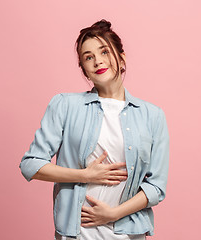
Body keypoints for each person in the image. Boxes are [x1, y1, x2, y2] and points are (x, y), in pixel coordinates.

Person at [19, 19, 169, 240]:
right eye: (88, 57)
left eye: (104, 52)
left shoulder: (152, 116)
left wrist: (112, 214)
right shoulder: (65, 105)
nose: (98, 61)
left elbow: (156, 187)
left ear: (122, 58)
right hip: (78, 233)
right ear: (85, 70)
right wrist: (85, 175)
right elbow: (30, 164)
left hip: (128, 233)